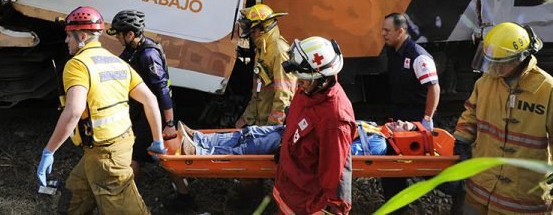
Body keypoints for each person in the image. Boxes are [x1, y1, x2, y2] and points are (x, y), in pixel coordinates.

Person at [454, 22, 553, 214]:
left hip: (524, 199)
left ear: (519, 58)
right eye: (490, 61)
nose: (493, 68)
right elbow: (470, 115)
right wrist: (461, 142)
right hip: (480, 189)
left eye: (499, 63)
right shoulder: (485, 83)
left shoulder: (549, 90)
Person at [36, 6, 165, 214]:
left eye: (69, 36)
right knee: (76, 191)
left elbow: (73, 111)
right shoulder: (117, 62)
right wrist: (157, 140)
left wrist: (49, 151)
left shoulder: (77, 65)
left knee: (122, 205)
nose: (66, 41)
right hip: (117, 144)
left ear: (83, 36)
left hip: (106, 154)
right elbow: (150, 99)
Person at [107, 9, 192, 209]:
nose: (118, 37)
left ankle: (125, 202)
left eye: (120, 33)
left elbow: (163, 90)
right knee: (166, 158)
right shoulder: (133, 48)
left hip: (153, 115)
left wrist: (169, 124)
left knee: (134, 157)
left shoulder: (148, 55)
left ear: (130, 34)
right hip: (141, 112)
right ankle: (184, 195)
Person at [273, 36, 356, 215]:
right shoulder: (308, 91)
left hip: (307, 206)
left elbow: (335, 175)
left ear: (322, 79)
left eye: (302, 79)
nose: (298, 82)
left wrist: (331, 209)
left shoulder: (335, 119)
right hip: (291, 193)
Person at [381, 12, 441, 203]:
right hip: (401, 114)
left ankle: (456, 188)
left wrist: (427, 119)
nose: (383, 34)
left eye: (387, 30)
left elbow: (434, 87)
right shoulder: (394, 51)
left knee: (424, 165)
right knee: (394, 166)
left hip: (416, 118)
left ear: (400, 31)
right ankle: (397, 206)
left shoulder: (418, 57)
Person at [176, 120, 423, 156]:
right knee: (251, 132)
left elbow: (344, 156)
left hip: (308, 144)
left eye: (404, 125)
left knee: (255, 145)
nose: (398, 122)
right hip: (307, 133)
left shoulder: (378, 142)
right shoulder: (377, 130)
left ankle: (201, 152)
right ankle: (200, 139)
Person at [235, 3, 297, 128]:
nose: (251, 36)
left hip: (271, 126)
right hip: (261, 124)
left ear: (264, 28)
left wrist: (272, 128)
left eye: (253, 31)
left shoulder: (279, 52)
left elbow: (284, 96)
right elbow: (258, 92)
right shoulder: (262, 50)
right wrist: (246, 118)